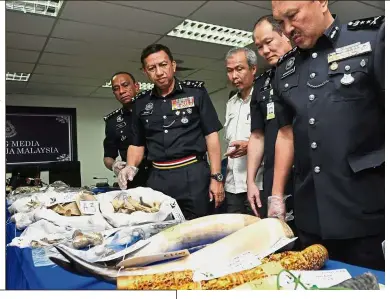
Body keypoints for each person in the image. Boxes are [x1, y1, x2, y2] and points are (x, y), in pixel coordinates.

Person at [270, 0, 384, 270]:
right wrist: (276, 197)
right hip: (310, 217)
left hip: (365, 211)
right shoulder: (284, 69)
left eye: (292, 16)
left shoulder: (373, 39)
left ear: (321, 2)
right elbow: (286, 134)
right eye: (280, 22)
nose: (287, 29)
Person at [118, 44, 225, 220]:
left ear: (173, 66)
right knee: (162, 231)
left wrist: (217, 177)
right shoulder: (141, 103)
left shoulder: (196, 93)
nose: (159, 72)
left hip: (193, 174)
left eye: (163, 65)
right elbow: (137, 144)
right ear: (145, 72)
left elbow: (211, 136)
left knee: (198, 230)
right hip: (158, 177)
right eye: (152, 68)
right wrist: (130, 166)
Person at [247, 16, 295, 222]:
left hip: (307, 171)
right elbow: (257, 136)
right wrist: (250, 181)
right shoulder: (261, 84)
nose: (264, 51)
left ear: (285, 34)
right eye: (259, 47)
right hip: (273, 174)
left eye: (269, 42)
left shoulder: (308, 69)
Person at [223, 47, 262, 215]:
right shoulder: (231, 103)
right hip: (233, 187)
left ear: (253, 69)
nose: (234, 76)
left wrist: (250, 146)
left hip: (259, 184)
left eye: (239, 69)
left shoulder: (264, 97)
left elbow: (279, 138)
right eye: (229, 71)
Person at [103, 72, 149, 188]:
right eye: (116, 89)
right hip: (133, 181)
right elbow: (108, 156)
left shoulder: (153, 111)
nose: (121, 91)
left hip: (159, 176)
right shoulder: (113, 121)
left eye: (125, 85)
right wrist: (114, 165)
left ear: (136, 87)